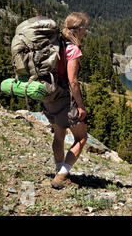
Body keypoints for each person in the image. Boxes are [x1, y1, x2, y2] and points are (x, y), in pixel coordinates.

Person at [41, 12, 89, 189]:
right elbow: (73, 81)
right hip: (64, 99)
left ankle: (58, 169)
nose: (85, 30)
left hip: (48, 95)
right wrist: (81, 107)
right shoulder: (72, 49)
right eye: (85, 27)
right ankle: (62, 176)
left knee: (59, 134)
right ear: (79, 29)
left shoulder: (54, 43)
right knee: (81, 137)